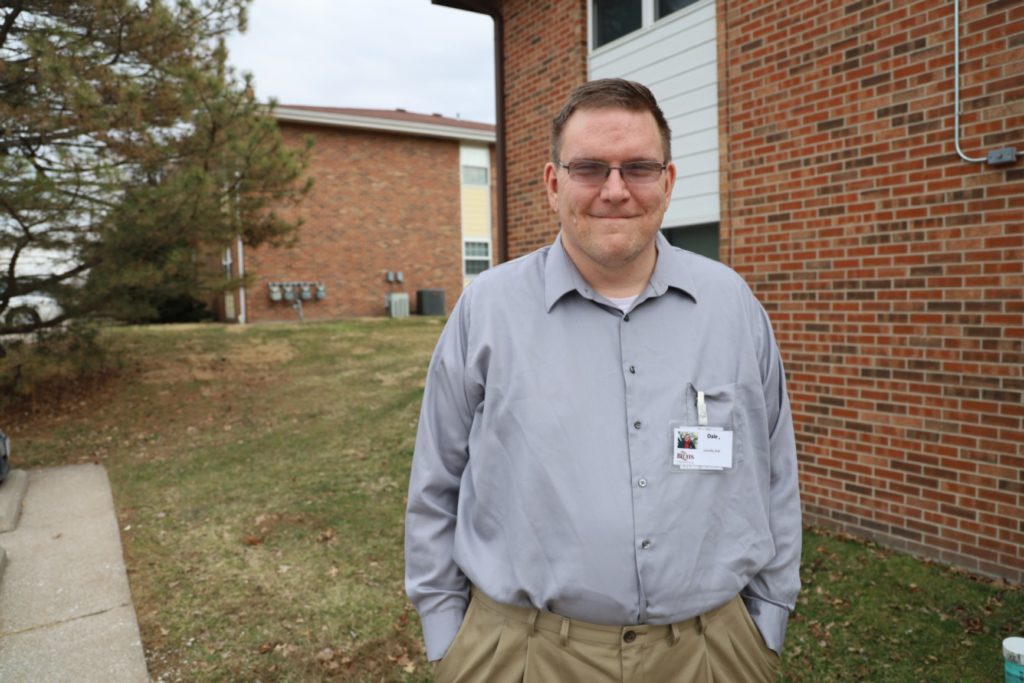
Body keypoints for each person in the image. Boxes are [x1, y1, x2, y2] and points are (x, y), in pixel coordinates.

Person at [405, 78, 801, 682]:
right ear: (552, 183)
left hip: (711, 654)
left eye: (638, 168)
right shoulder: (487, 309)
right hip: (523, 654)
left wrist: (767, 620)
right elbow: (436, 485)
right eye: (590, 168)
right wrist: (445, 635)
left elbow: (776, 472)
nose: (615, 191)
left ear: (667, 183)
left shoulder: (732, 305)